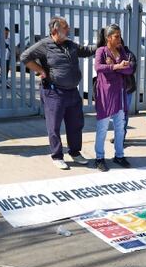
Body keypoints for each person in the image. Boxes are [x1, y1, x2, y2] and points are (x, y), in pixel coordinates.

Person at [21, 16, 96, 170]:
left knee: (76, 125)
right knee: (54, 126)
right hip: (54, 93)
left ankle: (75, 153)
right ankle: (57, 156)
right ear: (55, 30)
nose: (68, 30)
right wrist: (40, 70)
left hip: (72, 93)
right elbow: (25, 57)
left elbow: (86, 50)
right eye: (65, 27)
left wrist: (102, 45)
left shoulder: (70, 45)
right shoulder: (45, 45)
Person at [93, 24, 134, 171]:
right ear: (108, 37)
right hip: (105, 95)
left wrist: (119, 66)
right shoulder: (101, 51)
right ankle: (99, 158)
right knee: (102, 128)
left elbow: (129, 69)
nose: (119, 39)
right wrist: (116, 67)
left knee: (120, 127)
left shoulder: (121, 50)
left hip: (120, 95)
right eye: (116, 36)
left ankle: (119, 155)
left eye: (119, 35)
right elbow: (98, 68)